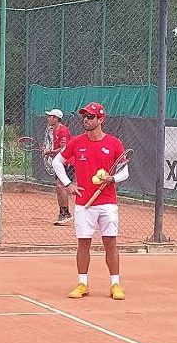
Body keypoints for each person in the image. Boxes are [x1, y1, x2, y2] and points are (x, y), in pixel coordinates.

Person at [51, 102, 128, 300]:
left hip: (108, 203)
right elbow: (57, 162)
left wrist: (112, 179)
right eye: (84, 117)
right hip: (84, 203)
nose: (86, 120)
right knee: (83, 244)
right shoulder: (76, 142)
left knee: (110, 242)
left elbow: (124, 171)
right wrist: (68, 184)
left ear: (101, 120)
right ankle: (83, 284)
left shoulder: (114, 143)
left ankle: (115, 284)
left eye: (91, 117)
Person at [43, 109, 74, 225]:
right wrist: (51, 152)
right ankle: (62, 213)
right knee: (58, 186)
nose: (48, 118)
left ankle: (66, 213)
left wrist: (51, 151)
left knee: (61, 186)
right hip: (59, 162)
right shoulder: (54, 130)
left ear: (56, 118)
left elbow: (65, 149)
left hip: (68, 162)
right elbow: (59, 150)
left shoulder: (63, 131)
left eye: (50, 116)